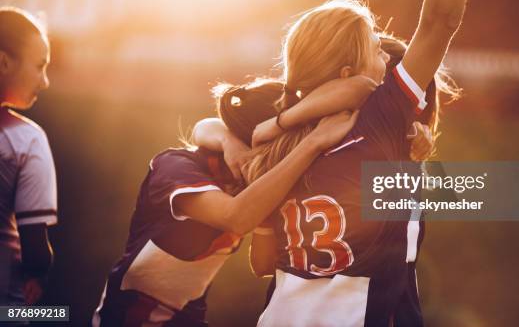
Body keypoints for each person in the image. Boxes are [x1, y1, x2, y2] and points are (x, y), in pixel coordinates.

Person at [232, 0, 480, 325]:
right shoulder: (378, 118)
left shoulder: (276, 135)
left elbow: (262, 262)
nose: (386, 54)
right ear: (348, 71)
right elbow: (440, 20)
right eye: (374, 47)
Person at [92, 78, 367, 327]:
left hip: (188, 319)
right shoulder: (175, 167)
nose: (287, 161)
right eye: (282, 151)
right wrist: (313, 144)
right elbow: (236, 217)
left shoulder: (249, 182)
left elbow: (262, 264)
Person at [0, 7, 56, 306]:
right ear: (3, 62)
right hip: (6, 310)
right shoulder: (26, 140)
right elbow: (35, 251)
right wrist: (39, 272)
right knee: (58, 317)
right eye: (39, 66)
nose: (45, 81)